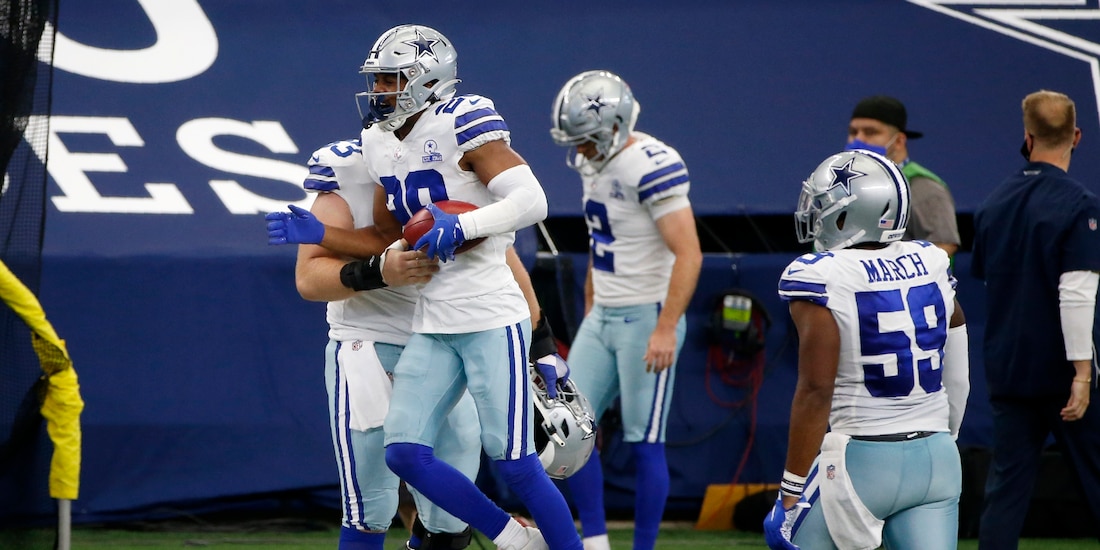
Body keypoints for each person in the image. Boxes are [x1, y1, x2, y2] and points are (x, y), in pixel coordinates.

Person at [266, 24, 582, 550]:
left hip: (483, 315)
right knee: (393, 469)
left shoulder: (464, 119)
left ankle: (534, 540)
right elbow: (387, 236)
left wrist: (540, 333)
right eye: (378, 80)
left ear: (428, 79)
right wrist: (323, 234)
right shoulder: (375, 144)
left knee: (509, 466)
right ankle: (511, 537)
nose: (379, 91)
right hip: (419, 324)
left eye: (391, 79)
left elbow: (526, 208)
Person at [764, 149, 970, 550]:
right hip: (939, 458)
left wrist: (790, 492)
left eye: (823, 205)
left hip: (862, 458)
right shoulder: (929, 259)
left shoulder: (821, 275)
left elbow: (816, 390)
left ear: (849, 215)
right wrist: (946, 435)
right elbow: (958, 367)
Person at [287, 137, 485, 550]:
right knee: (370, 509)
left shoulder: (461, 157)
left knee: (450, 519)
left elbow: (503, 260)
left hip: (444, 343)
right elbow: (309, 278)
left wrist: (538, 341)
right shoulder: (348, 172)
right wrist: (379, 273)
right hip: (370, 344)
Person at [548, 70, 702, 550]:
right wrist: (594, 296)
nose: (583, 151)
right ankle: (594, 540)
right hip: (606, 314)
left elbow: (690, 253)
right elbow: (603, 239)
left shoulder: (649, 164)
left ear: (615, 126)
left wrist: (666, 327)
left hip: (646, 315)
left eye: (589, 140)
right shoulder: (596, 166)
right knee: (574, 430)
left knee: (644, 440)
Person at [971, 89, 1100, 548]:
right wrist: (1083, 373)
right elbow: (1077, 293)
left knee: (1005, 492)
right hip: (1065, 374)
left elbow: (990, 285)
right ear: (1077, 136)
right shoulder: (1080, 204)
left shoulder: (991, 205)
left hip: (1009, 371)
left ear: (1026, 136)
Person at [846, 95, 962, 259]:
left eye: (870, 132)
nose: (858, 139)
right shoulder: (848, 184)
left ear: (899, 141)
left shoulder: (922, 185)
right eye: (853, 132)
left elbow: (943, 245)